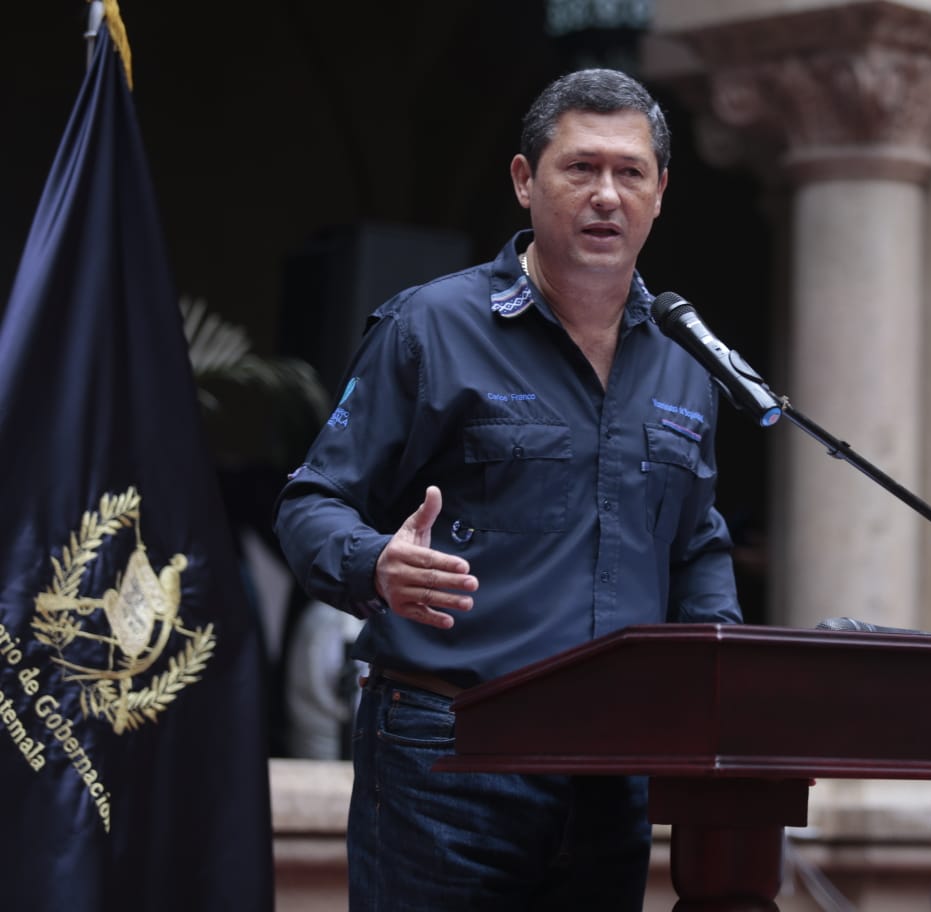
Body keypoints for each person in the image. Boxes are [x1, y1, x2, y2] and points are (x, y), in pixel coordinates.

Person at [273, 68, 743, 911]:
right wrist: (376, 563)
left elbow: (696, 544)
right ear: (526, 180)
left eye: (630, 172)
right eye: (580, 168)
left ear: (661, 193)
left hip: (613, 771)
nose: (606, 195)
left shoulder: (686, 361)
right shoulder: (430, 327)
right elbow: (310, 504)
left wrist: (727, 669)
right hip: (449, 751)